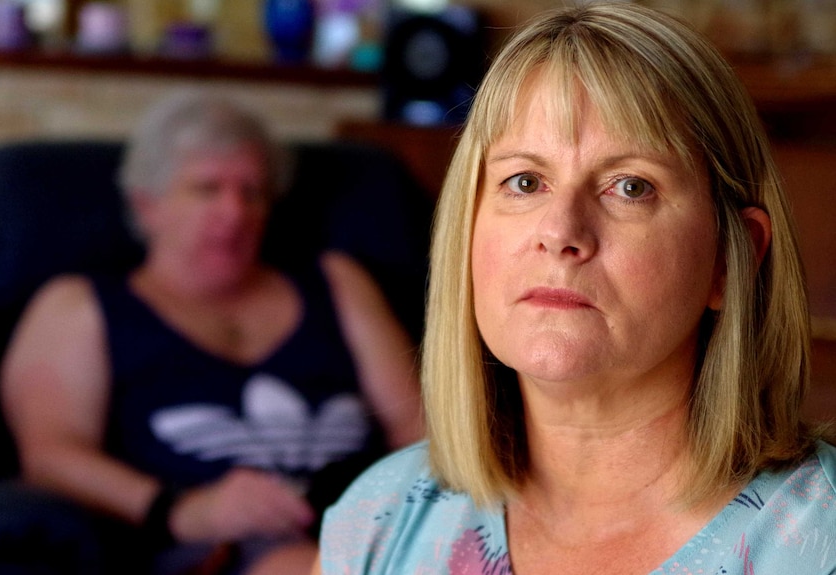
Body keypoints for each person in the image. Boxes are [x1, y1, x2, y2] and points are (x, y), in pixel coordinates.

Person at [312, 3, 836, 574]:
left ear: (732, 262)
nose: (561, 232)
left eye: (630, 186)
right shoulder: (374, 522)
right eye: (525, 181)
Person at [0, 89, 424, 575]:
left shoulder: (337, 281)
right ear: (147, 205)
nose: (235, 211)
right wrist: (180, 509)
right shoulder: (78, 306)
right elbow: (50, 456)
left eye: (253, 192)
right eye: (207, 189)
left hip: (367, 527)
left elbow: (419, 426)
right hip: (202, 546)